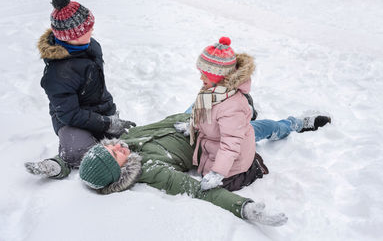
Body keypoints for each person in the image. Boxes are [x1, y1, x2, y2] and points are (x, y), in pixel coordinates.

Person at [79, 113, 289, 226]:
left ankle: (243, 109)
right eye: (116, 154)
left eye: (108, 146)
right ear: (119, 172)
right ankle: (292, 124)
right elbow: (196, 189)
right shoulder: (152, 170)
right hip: (209, 138)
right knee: (258, 128)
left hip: (189, 118)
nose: (117, 146)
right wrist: (243, 207)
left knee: (222, 91)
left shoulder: (124, 142)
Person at [188, 37, 330, 192]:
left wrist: (218, 172)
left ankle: (296, 124)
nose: (201, 78)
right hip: (221, 132)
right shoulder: (208, 94)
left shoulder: (229, 107)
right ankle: (252, 110)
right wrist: (191, 125)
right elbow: (201, 115)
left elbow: (231, 142)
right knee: (256, 125)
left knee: (269, 127)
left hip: (233, 133)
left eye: (205, 75)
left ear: (218, 77)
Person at [24, 0, 135, 179]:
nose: (92, 32)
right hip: (71, 121)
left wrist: (109, 116)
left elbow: (97, 86)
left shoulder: (91, 46)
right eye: (87, 29)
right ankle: (59, 164)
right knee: (80, 152)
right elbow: (69, 114)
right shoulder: (57, 74)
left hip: (99, 111)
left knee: (126, 144)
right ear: (71, 36)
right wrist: (106, 123)